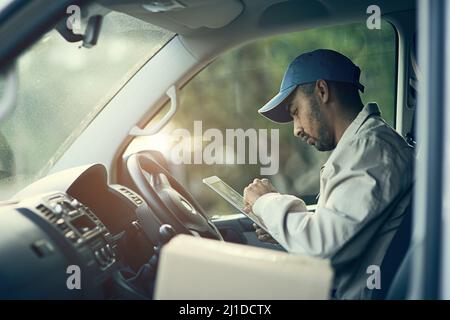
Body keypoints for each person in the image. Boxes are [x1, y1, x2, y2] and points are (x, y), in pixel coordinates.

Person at [243, 49, 414, 299]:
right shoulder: (360, 149)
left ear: (322, 91)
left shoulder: (372, 152)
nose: (296, 130)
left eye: (295, 112)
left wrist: (266, 201)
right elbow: (339, 234)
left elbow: (320, 251)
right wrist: (283, 230)